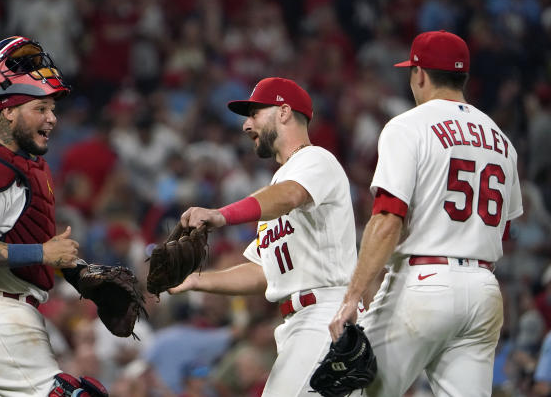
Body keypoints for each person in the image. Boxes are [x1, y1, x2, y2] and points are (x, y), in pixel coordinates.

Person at [329, 30, 524, 396]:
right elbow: (505, 228)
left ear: (419, 74)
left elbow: (388, 218)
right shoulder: (501, 139)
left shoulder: (408, 126)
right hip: (483, 291)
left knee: (347, 388)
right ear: (462, 76)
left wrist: (352, 297)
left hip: (424, 282)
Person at [0, 36, 104, 396]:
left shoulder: (14, 166)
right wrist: (43, 254)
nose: (52, 119)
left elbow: (17, 243)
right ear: (7, 110)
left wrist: (76, 272)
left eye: (53, 109)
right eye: (40, 108)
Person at [170, 77, 358, 396]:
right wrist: (198, 281)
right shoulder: (277, 184)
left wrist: (221, 214)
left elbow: (291, 195)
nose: (246, 125)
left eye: (255, 113)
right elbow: (262, 272)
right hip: (302, 323)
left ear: (284, 112)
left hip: (325, 315)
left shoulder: (315, 160)